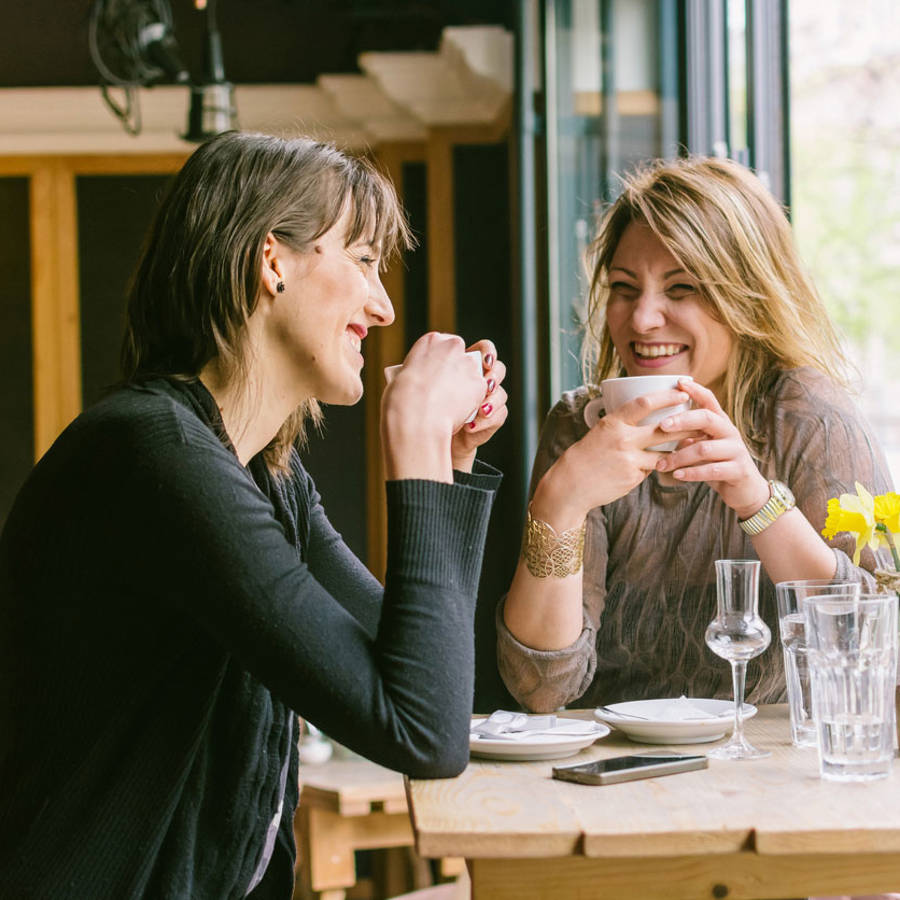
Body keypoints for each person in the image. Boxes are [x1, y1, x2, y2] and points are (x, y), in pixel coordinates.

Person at [0, 131, 508, 898]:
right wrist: (411, 446)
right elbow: (423, 732)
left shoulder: (268, 476)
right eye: (364, 260)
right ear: (272, 261)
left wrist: (447, 459)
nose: (383, 303)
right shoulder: (153, 455)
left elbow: (421, 679)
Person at [497, 155, 893, 714]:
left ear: (746, 296)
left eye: (681, 288)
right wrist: (560, 504)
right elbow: (542, 687)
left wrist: (757, 501)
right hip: (616, 769)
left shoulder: (808, 417)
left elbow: (875, 639)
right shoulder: (580, 427)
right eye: (624, 288)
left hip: (772, 770)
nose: (641, 320)